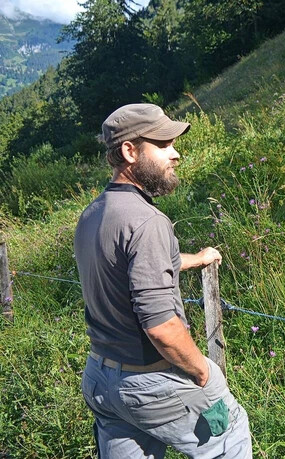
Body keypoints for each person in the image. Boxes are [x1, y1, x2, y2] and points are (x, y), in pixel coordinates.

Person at [74, 103, 251, 458]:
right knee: (230, 438)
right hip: (152, 383)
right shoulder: (147, 222)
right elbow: (160, 327)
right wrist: (203, 372)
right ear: (129, 151)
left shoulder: (92, 215)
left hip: (101, 380)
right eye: (164, 144)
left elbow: (139, 268)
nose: (176, 154)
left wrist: (198, 258)